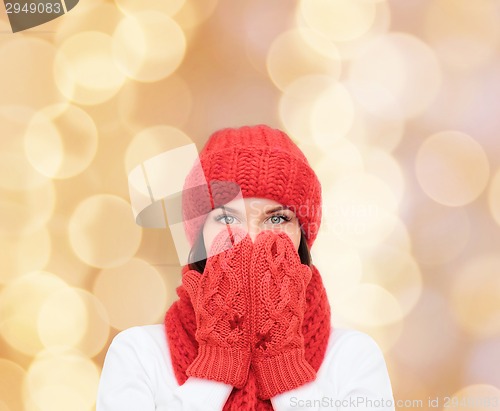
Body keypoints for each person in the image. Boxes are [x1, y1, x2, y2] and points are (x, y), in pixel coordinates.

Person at [96, 125, 395, 410]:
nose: (250, 238)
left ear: (302, 236)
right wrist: (218, 363)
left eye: (276, 219)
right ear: (199, 235)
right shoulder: (139, 353)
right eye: (227, 219)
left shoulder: (353, 356)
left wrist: (284, 364)